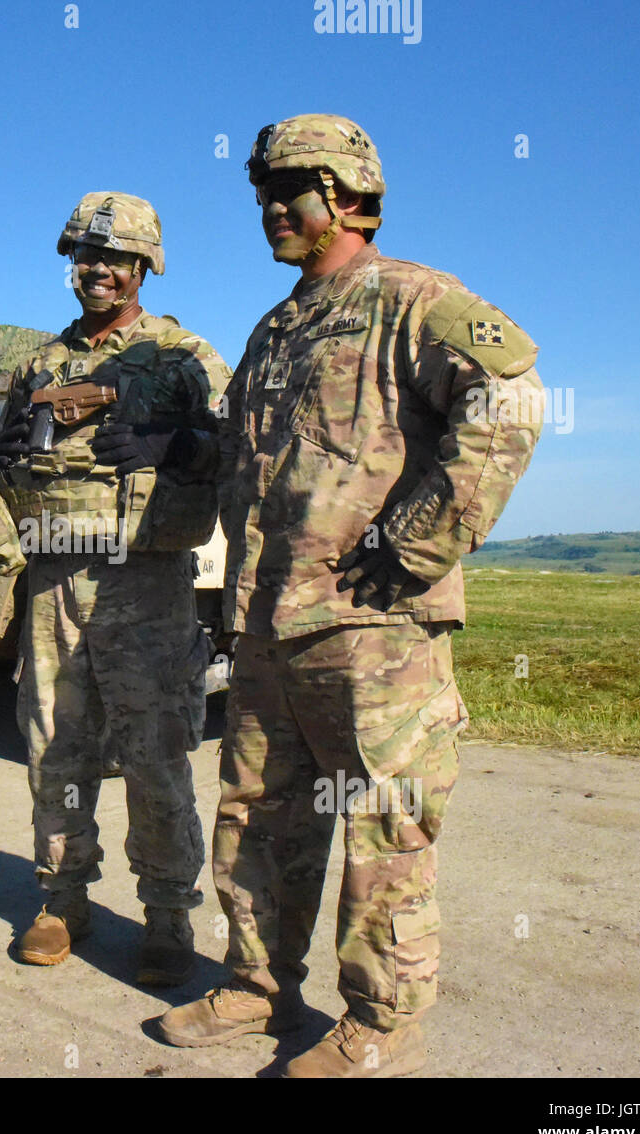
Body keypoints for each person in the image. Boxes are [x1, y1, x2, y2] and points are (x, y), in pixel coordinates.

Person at [158, 116, 544, 1076]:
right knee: (256, 813)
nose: (271, 212)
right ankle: (257, 984)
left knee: (386, 828)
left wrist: (416, 545)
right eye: (260, 196)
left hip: (373, 630)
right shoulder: (278, 326)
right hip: (266, 625)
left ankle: (382, 1020)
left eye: (289, 192)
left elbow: (512, 400)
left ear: (346, 193)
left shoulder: (412, 299)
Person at [0, 192, 231, 985]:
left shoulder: (185, 354)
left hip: (145, 583)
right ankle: (61, 900)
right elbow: (8, 470)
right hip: (53, 581)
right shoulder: (40, 364)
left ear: (145, 266)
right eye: (85, 257)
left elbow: (230, 442)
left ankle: (166, 914)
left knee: (156, 754)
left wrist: (177, 440)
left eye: (115, 259)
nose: (97, 272)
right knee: (56, 749)